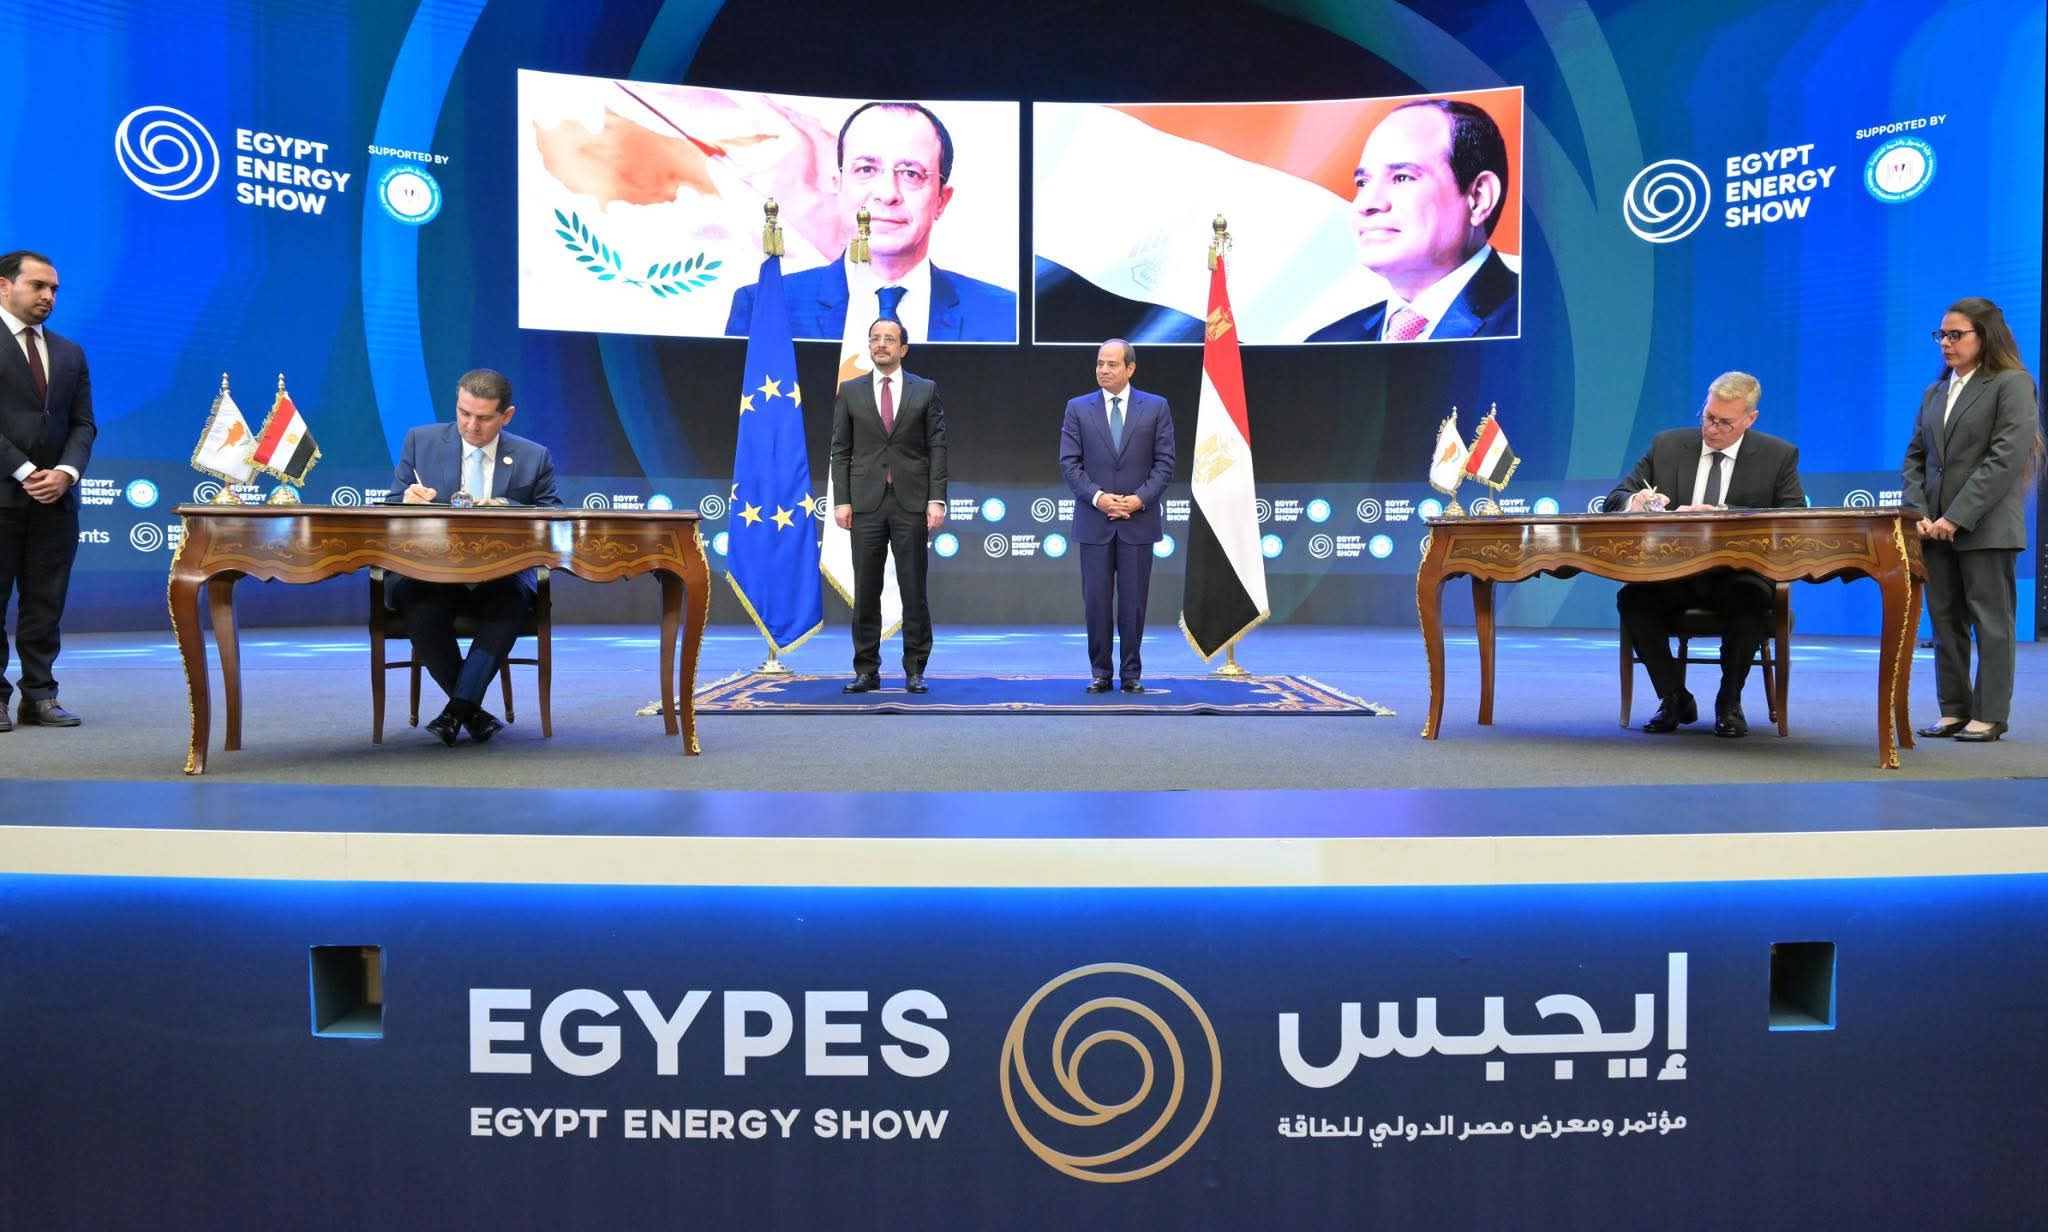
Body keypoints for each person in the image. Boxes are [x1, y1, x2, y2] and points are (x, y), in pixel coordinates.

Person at [1604, 371, 1805, 738]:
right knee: (1633, 598)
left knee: (1749, 598)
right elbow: (1613, 500)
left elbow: (1792, 520)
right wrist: (1637, 501)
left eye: (1725, 422)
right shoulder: (1667, 446)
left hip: (1737, 573)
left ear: (1750, 419)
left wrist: (1723, 514)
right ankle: (1674, 698)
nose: (1712, 429)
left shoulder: (1778, 456)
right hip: (1672, 571)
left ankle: (1729, 702)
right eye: (1708, 417)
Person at [724, 101, 1014, 343]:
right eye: (866, 169)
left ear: (941, 200)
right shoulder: (766, 307)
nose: (887, 194)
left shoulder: (1004, 315)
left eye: (911, 174)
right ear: (838, 186)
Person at [386, 369, 560, 745]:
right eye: (464, 413)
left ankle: (456, 711)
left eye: (483, 417)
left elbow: (552, 517)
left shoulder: (533, 457)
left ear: (506, 415)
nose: (471, 425)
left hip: (501, 571)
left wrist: (507, 507)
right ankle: (470, 713)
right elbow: (391, 506)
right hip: (431, 568)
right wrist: (407, 501)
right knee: (416, 599)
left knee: (511, 600)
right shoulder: (421, 441)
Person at [1902, 297, 2044, 743]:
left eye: (1956, 334)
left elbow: (2005, 458)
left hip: (1986, 527)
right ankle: (1954, 710)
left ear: (1985, 336)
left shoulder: (2012, 383)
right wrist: (1920, 513)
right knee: (1945, 622)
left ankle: (1990, 714)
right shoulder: (1935, 392)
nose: (1946, 343)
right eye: (1941, 335)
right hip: (1933, 529)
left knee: (1992, 623)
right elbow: (1915, 459)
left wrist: (1957, 517)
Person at [1305, 98, 1517, 343]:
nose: (1366, 204)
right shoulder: (1327, 342)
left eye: (1402, 178)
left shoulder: (1539, 319)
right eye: (1362, 183)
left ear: (1479, 197)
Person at [0, 251, 94, 732]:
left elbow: (83, 424)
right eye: (38, 285)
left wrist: (66, 473)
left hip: (57, 501)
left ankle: (39, 695)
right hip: (2, 495)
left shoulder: (70, 352)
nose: (48, 296)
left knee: (45, 604)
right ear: (4, 286)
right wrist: (24, 470)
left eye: (54, 289)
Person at [831, 316, 947, 693]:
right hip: (865, 504)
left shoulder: (924, 390)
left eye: (889, 339)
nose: (881, 344)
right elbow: (840, 450)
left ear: (903, 349)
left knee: (913, 589)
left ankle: (915, 668)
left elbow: (937, 447)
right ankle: (866, 669)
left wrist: (936, 499)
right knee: (866, 590)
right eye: (875, 338)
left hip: (911, 502)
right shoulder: (850, 391)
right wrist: (842, 500)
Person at [1058, 339, 1175, 692]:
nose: (1103, 370)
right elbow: (1070, 463)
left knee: (1133, 604)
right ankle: (1100, 672)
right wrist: (1099, 498)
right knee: (1096, 603)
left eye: (1112, 364)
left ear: (1130, 368)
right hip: (1095, 522)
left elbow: (1165, 463)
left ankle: (1131, 673)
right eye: (1100, 363)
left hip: (1138, 522)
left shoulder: (1155, 407)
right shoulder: (1078, 408)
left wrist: (1138, 500)